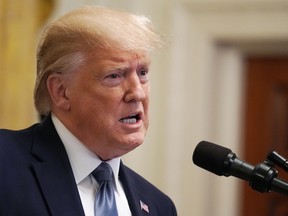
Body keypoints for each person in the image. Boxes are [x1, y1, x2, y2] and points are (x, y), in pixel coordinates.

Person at [0, 5, 177, 216]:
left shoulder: (159, 206)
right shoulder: (6, 163)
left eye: (143, 72)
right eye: (114, 75)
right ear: (62, 92)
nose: (138, 93)